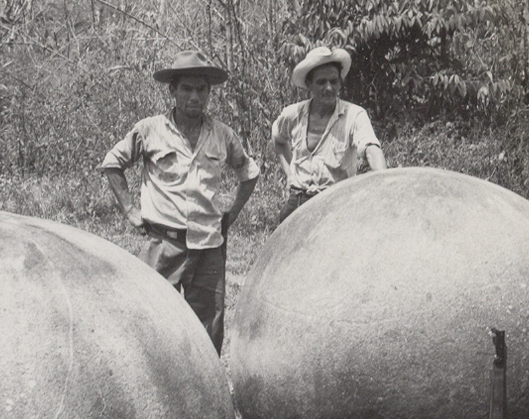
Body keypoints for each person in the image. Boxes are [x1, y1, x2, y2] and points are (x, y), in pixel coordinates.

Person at [100, 50, 259, 355]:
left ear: (210, 94)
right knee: (153, 319)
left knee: (208, 325)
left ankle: (207, 392)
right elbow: (112, 164)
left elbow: (248, 173)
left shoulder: (222, 135)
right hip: (164, 245)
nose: (194, 96)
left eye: (201, 89)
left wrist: (231, 215)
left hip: (208, 247)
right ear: (172, 91)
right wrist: (131, 210)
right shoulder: (149, 130)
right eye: (186, 88)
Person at [272, 46, 387, 223]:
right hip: (298, 201)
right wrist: (289, 174)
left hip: (337, 203)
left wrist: (385, 181)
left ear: (340, 83)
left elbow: (370, 147)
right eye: (321, 82)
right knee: (281, 246)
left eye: (334, 81)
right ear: (309, 85)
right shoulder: (293, 114)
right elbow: (278, 139)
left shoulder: (354, 115)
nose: (328, 88)